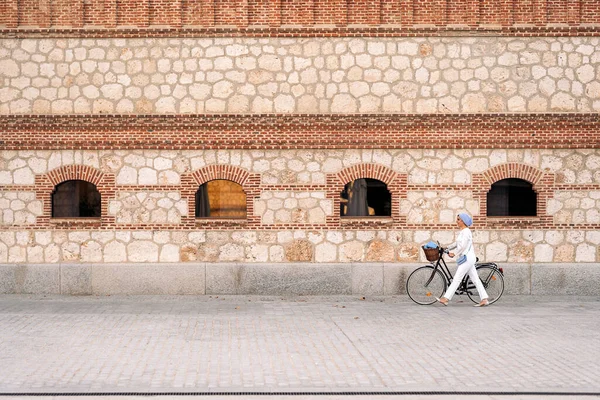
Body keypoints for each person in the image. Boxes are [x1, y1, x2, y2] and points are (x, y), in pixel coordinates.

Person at [436, 213, 489, 307]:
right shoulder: (463, 232)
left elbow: (463, 246)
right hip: (468, 258)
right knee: (475, 279)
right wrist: (447, 248)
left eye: (459, 219)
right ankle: (484, 299)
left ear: (463, 221)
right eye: (457, 219)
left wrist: (455, 253)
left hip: (467, 258)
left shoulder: (466, 232)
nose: (457, 221)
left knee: (457, 279)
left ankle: (446, 298)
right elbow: (457, 243)